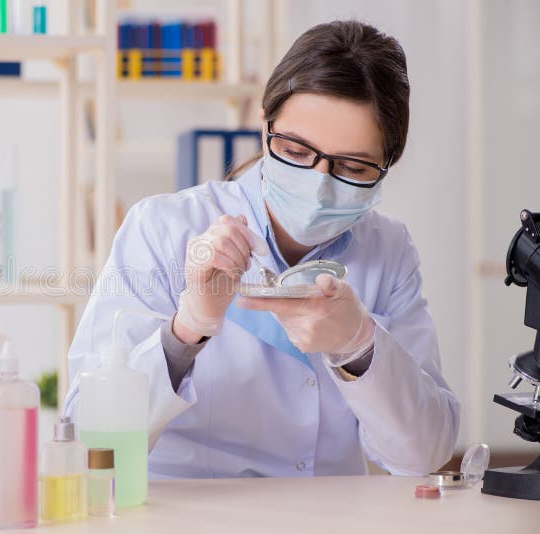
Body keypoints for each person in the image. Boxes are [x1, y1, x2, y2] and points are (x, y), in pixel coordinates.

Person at [63, 20, 460, 477]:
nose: (319, 184)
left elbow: (424, 454)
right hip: (186, 508)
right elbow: (90, 439)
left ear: (388, 162)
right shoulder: (163, 227)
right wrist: (185, 331)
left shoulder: (388, 250)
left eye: (353, 167)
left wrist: (359, 345)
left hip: (326, 510)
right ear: (264, 122)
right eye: (296, 151)